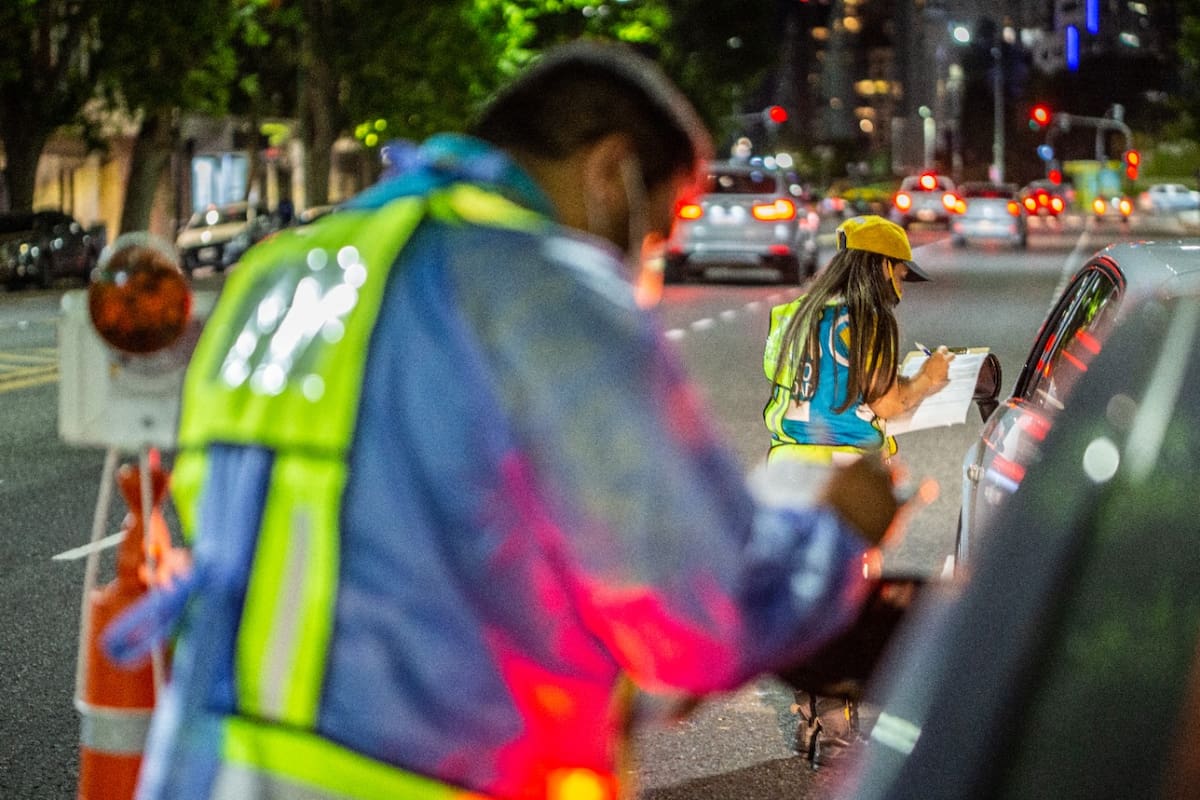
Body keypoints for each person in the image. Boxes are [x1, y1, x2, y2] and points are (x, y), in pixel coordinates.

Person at [108, 41, 907, 800]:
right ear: (610, 172)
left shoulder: (280, 270)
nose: (649, 269)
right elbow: (700, 617)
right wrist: (835, 531)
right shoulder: (540, 286)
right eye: (657, 230)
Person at [762, 215, 953, 466]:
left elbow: (824, 383)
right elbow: (887, 404)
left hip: (786, 464)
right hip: (843, 472)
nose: (900, 289)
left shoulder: (793, 314)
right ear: (885, 266)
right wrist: (928, 377)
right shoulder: (866, 319)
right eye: (900, 276)